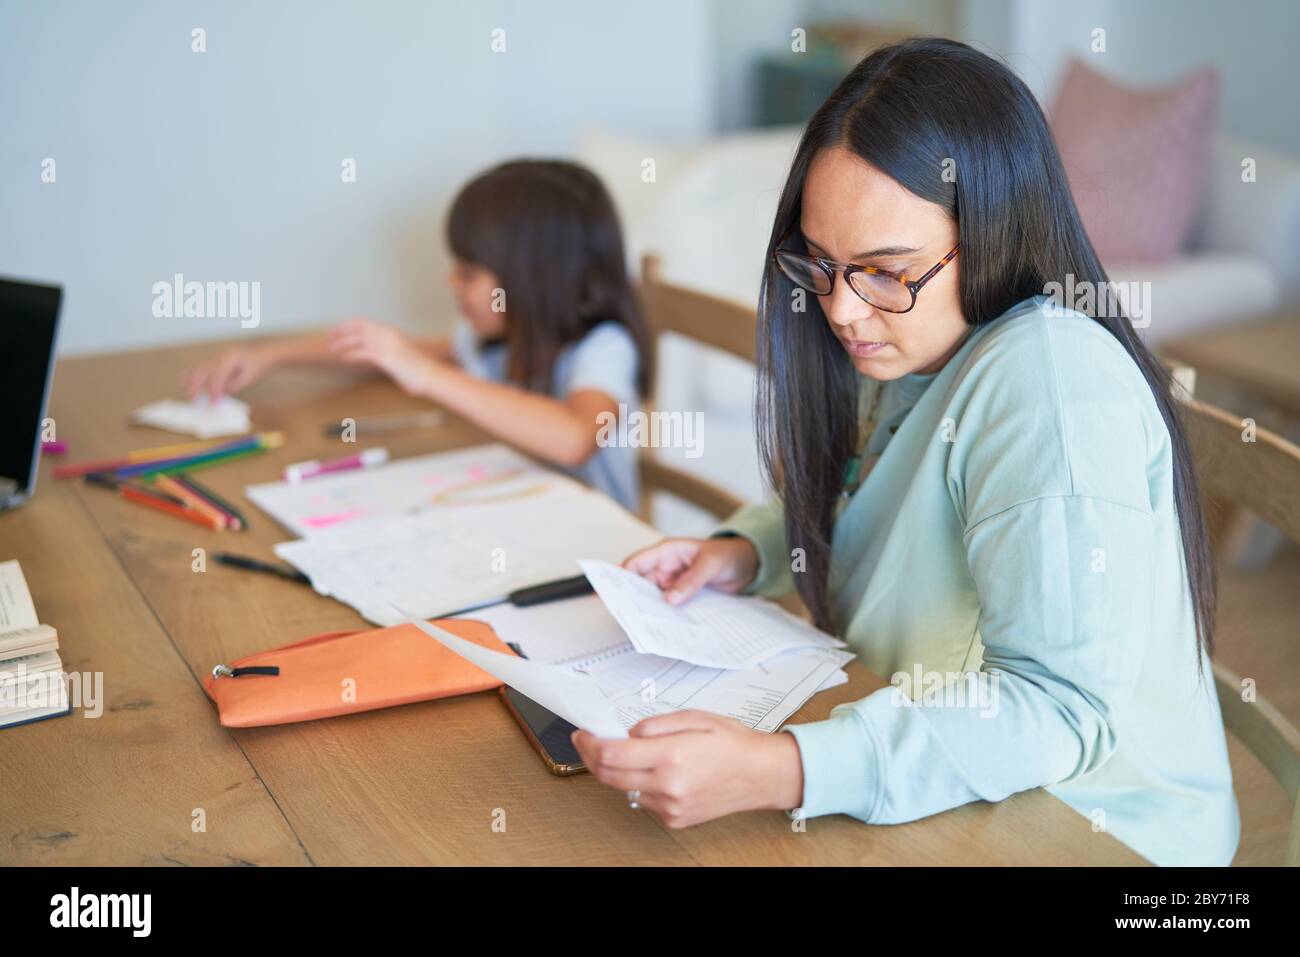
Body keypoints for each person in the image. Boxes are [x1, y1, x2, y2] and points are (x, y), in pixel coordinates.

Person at [573, 37, 1239, 867]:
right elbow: (866, 481)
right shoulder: (919, 342)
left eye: (887, 271)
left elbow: (1057, 710)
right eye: (820, 264)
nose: (842, 311)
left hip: (1093, 828)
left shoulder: (1052, 383)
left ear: (994, 229)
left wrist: (782, 769)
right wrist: (748, 550)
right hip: (942, 764)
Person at [184, 159, 654, 510]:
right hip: (518, 514)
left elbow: (576, 437)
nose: (451, 283)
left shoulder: (603, 347)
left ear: (534, 279)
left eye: (468, 273)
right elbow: (376, 352)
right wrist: (272, 356)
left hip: (598, 552)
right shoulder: (496, 341)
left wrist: (426, 374)